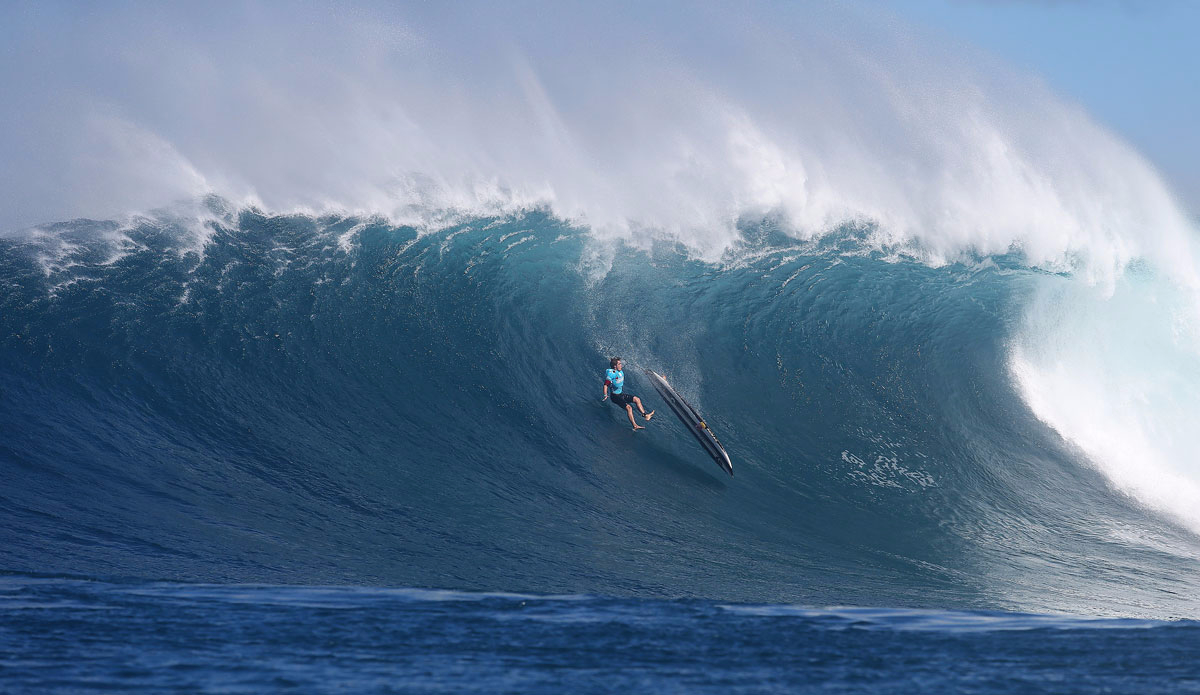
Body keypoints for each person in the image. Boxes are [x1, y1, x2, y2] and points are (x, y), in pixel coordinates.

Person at [602, 357, 654, 430]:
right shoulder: (611, 374)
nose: (621, 365)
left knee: (637, 399)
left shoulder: (619, 371)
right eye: (619, 364)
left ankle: (645, 415)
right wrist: (605, 394)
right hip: (615, 397)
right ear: (615, 366)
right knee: (629, 408)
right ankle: (635, 425)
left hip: (620, 394)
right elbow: (605, 385)